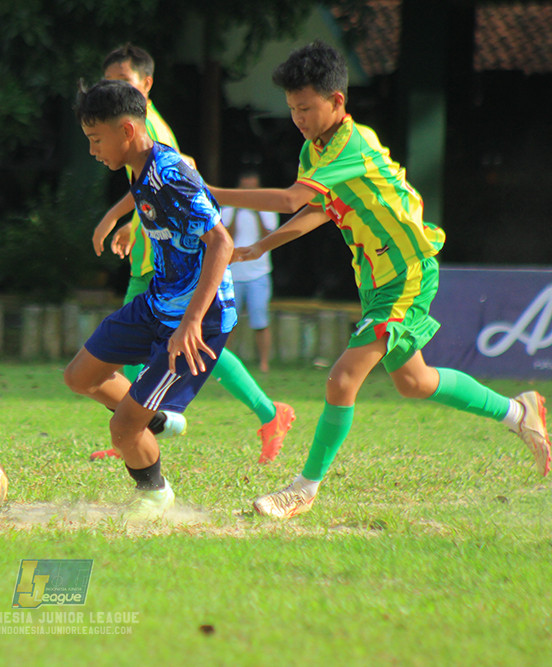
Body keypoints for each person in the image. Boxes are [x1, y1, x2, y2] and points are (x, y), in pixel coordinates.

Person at [209, 41, 550, 519]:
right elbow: (319, 209)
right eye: (292, 110)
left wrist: (210, 191)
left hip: (406, 274)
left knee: (341, 379)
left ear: (337, 102)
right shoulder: (316, 149)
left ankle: (303, 490)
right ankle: (520, 412)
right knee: (414, 382)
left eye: (305, 108)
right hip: (377, 280)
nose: (298, 119)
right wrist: (265, 245)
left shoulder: (354, 144)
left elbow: (289, 200)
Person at [90, 44, 294, 464]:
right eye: (107, 81)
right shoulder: (122, 122)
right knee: (177, 349)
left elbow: (183, 171)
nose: (113, 89)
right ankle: (140, 430)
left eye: (122, 82)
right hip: (156, 256)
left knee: (180, 344)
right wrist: (123, 220)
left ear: (145, 84)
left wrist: (124, 222)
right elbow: (144, 186)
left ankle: (137, 433)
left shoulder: (148, 127)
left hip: (171, 262)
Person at [65, 78, 236, 521]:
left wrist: (192, 322)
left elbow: (221, 242)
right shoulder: (140, 166)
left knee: (121, 429)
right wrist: (126, 221)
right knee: (81, 376)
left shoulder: (170, 175)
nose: (91, 150)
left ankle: (155, 493)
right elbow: (154, 204)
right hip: (159, 303)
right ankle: (154, 419)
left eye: (95, 139)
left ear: (125, 131)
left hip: (200, 314)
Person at [220, 170, 279, 373]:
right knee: (229, 322)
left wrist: (256, 210)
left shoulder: (268, 208)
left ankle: (264, 364)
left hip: (259, 274)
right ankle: (225, 365)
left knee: (260, 321)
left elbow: (268, 235)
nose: (249, 192)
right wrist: (238, 208)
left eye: (252, 188)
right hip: (233, 273)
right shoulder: (228, 209)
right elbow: (227, 237)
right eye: (245, 188)